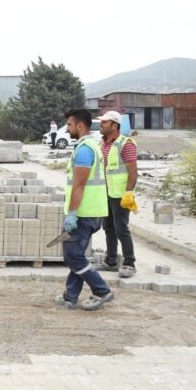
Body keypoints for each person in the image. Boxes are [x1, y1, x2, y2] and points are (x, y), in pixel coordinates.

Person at [55, 109, 114, 311]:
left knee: (73, 256)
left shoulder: (84, 150)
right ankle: (70, 296)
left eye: (70, 125)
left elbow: (79, 184)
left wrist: (72, 214)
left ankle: (102, 290)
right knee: (77, 254)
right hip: (91, 210)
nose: (67, 128)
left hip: (84, 212)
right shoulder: (90, 145)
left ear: (80, 125)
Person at [97, 111, 138, 278]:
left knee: (121, 229)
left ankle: (129, 263)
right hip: (105, 193)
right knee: (108, 228)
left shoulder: (125, 144)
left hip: (120, 195)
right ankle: (111, 261)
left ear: (114, 125)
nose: (101, 125)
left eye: (104, 122)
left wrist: (128, 193)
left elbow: (133, 172)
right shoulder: (103, 143)